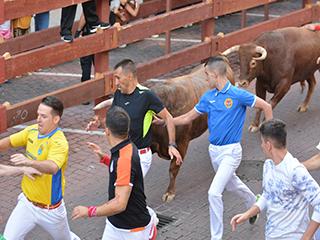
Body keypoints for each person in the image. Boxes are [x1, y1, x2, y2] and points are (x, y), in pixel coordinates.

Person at [169, 56, 273, 240]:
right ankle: (254, 202)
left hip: (231, 152)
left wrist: (270, 136)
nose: (206, 79)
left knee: (213, 193)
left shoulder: (237, 94)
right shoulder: (208, 97)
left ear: (215, 75)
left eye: (207, 75)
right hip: (214, 152)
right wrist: (165, 121)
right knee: (233, 184)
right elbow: (187, 118)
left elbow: (266, 106)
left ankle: (216, 237)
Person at [72, 106, 157, 240]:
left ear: (107, 131)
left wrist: (89, 211)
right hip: (115, 226)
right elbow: (124, 170)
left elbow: (119, 204)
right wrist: (105, 159)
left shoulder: (124, 159)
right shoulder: (125, 147)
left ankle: (151, 228)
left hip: (132, 232)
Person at [0, 96, 79, 240]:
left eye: (43, 116)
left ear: (55, 119)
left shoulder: (59, 142)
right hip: (27, 204)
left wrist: (29, 162)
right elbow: (9, 142)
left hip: (51, 210)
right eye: (38, 114)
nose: (38, 119)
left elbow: (53, 167)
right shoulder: (32, 131)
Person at [87, 59, 182, 177]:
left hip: (139, 157)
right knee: (124, 192)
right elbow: (117, 122)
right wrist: (100, 124)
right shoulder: (118, 94)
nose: (116, 83)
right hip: (122, 153)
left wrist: (172, 145)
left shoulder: (147, 96)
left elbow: (168, 118)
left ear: (130, 76)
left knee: (125, 192)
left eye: (118, 78)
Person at [231, 119, 320, 240]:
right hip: (272, 235)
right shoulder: (268, 165)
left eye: (262, 142)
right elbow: (268, 195)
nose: (261, 146)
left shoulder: (295, 171)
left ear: (268, 145)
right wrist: (248, 214)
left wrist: (306, 237)